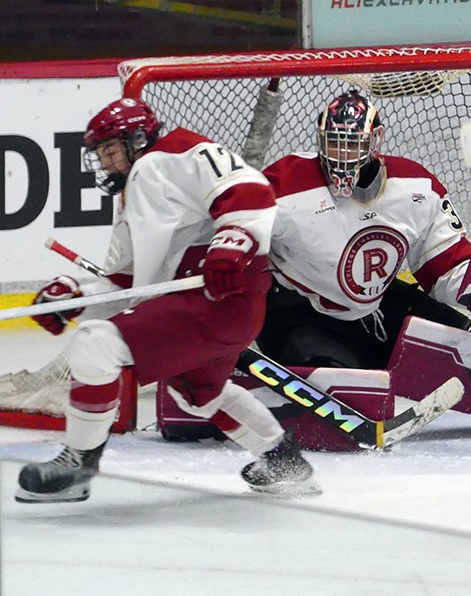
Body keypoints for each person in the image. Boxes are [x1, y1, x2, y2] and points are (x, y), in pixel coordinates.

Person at [17, 98, 317, 502]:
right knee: (199, 392)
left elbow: (250, 189)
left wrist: (234, 239)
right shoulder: (131, 198)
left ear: (138, 139)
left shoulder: (173, 153)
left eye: (110, 150)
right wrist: (76, 298)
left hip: (217, 294)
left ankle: (79, 463)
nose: (104, 163)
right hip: (214, 307)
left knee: (96, 343)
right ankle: (284, 462)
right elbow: (128, 281)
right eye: (100, 153)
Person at [255, 90, 471, 413]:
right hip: (296, 313)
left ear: (375, 141)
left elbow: (447, 268)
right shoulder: (284, 185)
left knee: (467, 343)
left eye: (352, 143)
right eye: (334, 142)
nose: (342, 155)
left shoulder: (416, 188)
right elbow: (235, 242)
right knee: (345, 384)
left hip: (375, 310)